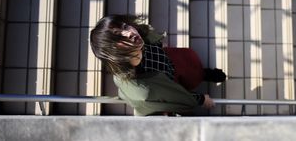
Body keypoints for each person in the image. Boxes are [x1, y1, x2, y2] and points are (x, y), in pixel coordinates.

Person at [90, 14, 226, 116]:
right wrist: (201, 100)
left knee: (192, 67)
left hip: (169, 60)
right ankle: (203, 75)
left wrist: (158, 43)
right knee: (184, 84)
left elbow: (148, 33)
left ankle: (204, 74)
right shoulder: (142, 87)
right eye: (119, 37)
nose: (129, 33)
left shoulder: (140, 39)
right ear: (114, 52)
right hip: (167, 82)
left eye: (124, 26)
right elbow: (174, 96)